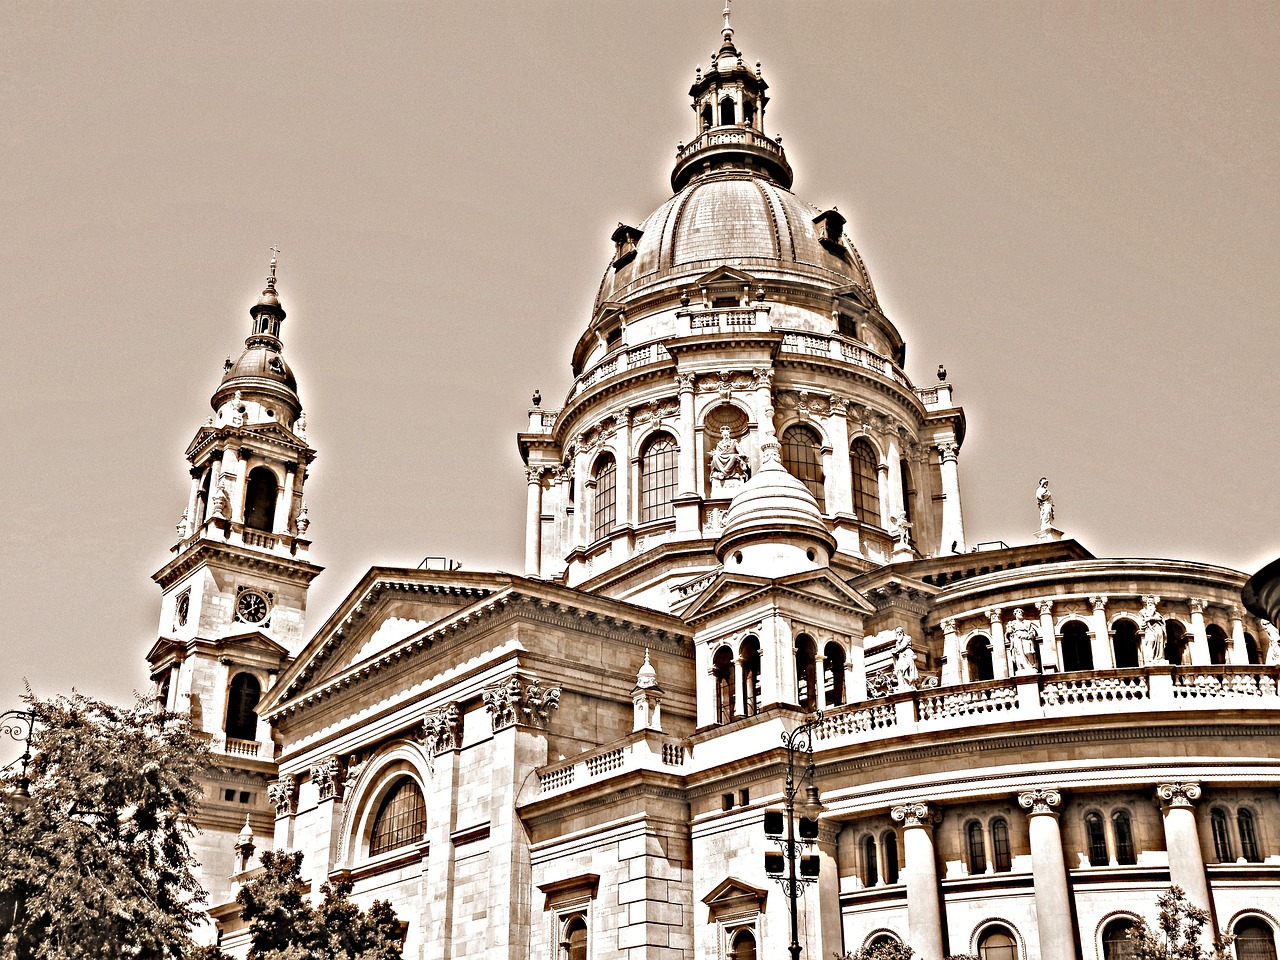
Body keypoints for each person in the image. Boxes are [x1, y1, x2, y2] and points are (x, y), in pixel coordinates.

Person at [1005, 608, 1040, 673]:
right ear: (1015, 614)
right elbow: (1008, 634)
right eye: (1018, 612)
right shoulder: (1012, 623)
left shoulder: (1027, 622)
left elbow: (1032, 631)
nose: (1020, 613)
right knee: (1019, 654)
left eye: (1021, 612)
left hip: (1026, 638)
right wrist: (1009, 631)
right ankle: (1021, 668)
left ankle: (1032, 666)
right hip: (1017, 639)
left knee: (1028, 652)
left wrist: (1030, 635)